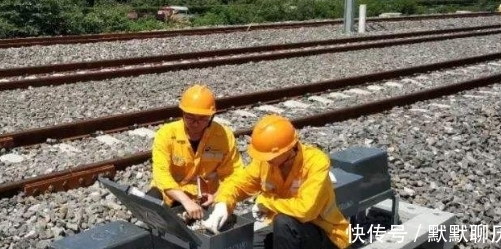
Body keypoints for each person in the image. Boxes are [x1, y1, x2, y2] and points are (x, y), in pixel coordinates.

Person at [202, 114, 350, 249]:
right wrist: (223, 204)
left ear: (287, 150)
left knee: (283, 222)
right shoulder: (266, 162)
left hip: (326, 234)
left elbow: (305, 211)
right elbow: (239, 183)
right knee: (247, 243)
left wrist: (267, 202)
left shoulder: (315, 162)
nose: (265, 160)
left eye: (269, 157)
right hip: (286, 232)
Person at [148, 84, 244, 221]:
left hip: (204, 197)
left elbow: (234, 174)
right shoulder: (166, 134)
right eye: (190, 117)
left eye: (202, 119)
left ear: (212, 116)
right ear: (182, 113)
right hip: (171, 193)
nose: (195, 123)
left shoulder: (223, 136)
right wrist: (185, 201)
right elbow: (161, 175)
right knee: (150, 207)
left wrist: (219, 196)